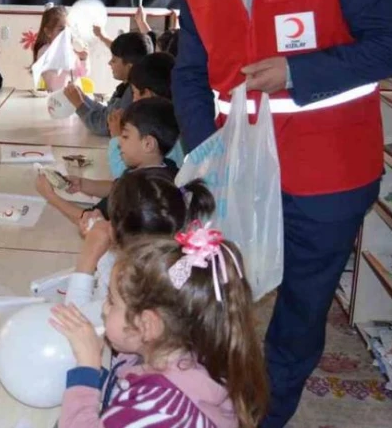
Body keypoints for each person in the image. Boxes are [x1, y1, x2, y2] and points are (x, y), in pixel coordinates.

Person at [173, 0, 392, 426]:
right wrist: (207, 152)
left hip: (327, 174)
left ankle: (266, 418)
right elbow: (188, 73)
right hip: (233, 172)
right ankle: (200, 404)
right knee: (215, 300)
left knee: (300, 315)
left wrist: (300, 72)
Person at [51, 224, 268, 428]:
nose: (104, 309)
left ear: (147, 325)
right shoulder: (194, 344)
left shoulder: (156, 410)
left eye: (112, 301)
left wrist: (87, 368)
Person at [65, 169, 214, 306]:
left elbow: (73, 322)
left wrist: (88, 258)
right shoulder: (159, 259)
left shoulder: (134, 283)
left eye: (111, 219)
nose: (107, 222)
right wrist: (105, 246)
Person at [36, 97, 179, 228]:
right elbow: (115, 186)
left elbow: (91, 223)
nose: (119, 143)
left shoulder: (136, 191)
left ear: (148, 144)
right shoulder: (166, 168)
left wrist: (51, 197)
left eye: (125, 136)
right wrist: (83, 184)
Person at [107, 52, 182, 178]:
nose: (133, 100)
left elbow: (124, 177)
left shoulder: (161, 129)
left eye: (135, 93)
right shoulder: (174, 119)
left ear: (147, 94)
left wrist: (116, 137)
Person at [64, 32, 152, 136]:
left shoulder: (132, 94)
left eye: (114, 60)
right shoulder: (124, 87)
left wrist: (80, 105)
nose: (109, 63)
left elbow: (104, 126)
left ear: (129, 66)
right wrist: (82, 98)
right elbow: (107, 113)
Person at [32, 3, 88, 91]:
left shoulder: (71, 50)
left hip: (76, 98)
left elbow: (83, 73)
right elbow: (53, 83)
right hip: (57, 98)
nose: (66, 33)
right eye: (61, 29)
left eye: (68, 29)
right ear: (48, 32)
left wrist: (83, 59)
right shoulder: (44, 52)